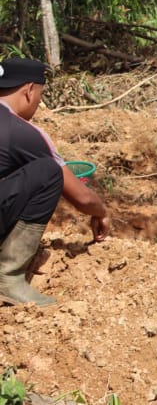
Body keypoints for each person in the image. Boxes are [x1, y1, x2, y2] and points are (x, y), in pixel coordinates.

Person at [0, 57, 111, 307]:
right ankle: (8, 278)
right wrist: (102, 212)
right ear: (29, 90)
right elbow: (81, 197)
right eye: (40, 95)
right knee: (48, 171)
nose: (38, 103)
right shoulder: (22, 132)